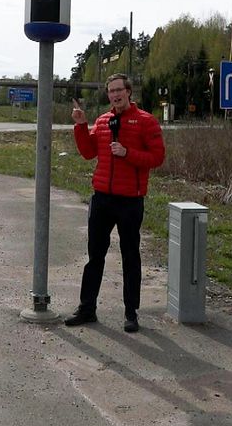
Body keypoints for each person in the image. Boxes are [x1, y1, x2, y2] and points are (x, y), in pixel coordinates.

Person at [65, 73, 165, 333]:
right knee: (94, 256)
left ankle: (131, 313)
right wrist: (80, 125)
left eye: (119, 90)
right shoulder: (103, 121)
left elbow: (157, 157)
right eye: (111, 91)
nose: (115, 95)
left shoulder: (146, 121)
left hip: (130, 201)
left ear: (129, 92)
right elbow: (88, 153)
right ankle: (87, 308)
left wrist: (128, 153)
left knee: (130, 256)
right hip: (102, 199)